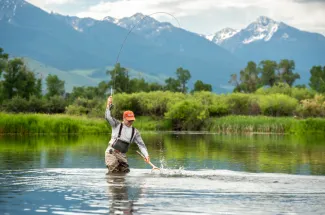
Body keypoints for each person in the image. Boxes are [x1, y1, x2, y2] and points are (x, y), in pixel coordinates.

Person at [105, 96, 150, 173]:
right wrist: (108, 106)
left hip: (122, 155)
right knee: (114, 172)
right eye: (128, 120)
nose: (130, 122)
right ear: (124, 118)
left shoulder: (135, 132)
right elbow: (108, 117)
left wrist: (146, 155)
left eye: (132, 120)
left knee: (125, 172)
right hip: (111, 153)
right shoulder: (116, 124)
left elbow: (141, 145)